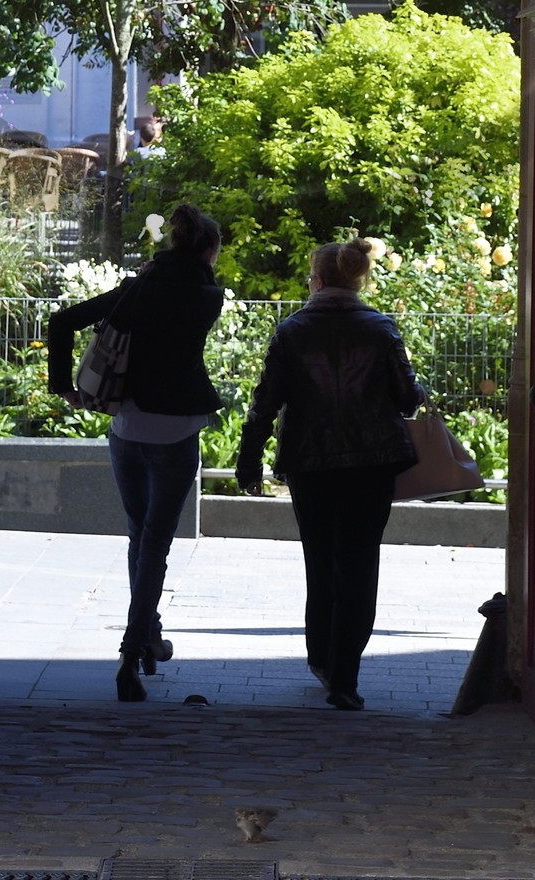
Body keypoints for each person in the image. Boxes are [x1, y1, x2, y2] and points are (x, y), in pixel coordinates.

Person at [47, 201, 224, 702]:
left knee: (138, 536)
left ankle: (145, 635)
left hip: (126, 425)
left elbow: (63, 323)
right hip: (177, 431)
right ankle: (132, 649)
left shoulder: (139, 287)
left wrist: (64, 386)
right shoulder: (210, 296)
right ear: (209, 251)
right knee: (156, 544)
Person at [235, 238, 422, 710]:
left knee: (319, 560)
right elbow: (406, 398)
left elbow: (265, 402)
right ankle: (345, 677)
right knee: (359, 563)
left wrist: (248, 459)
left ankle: (320, 657)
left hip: (309, 463)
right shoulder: (381, 330)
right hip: (372, 463)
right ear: (359, 279)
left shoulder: (292, 331)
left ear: (316, 280)